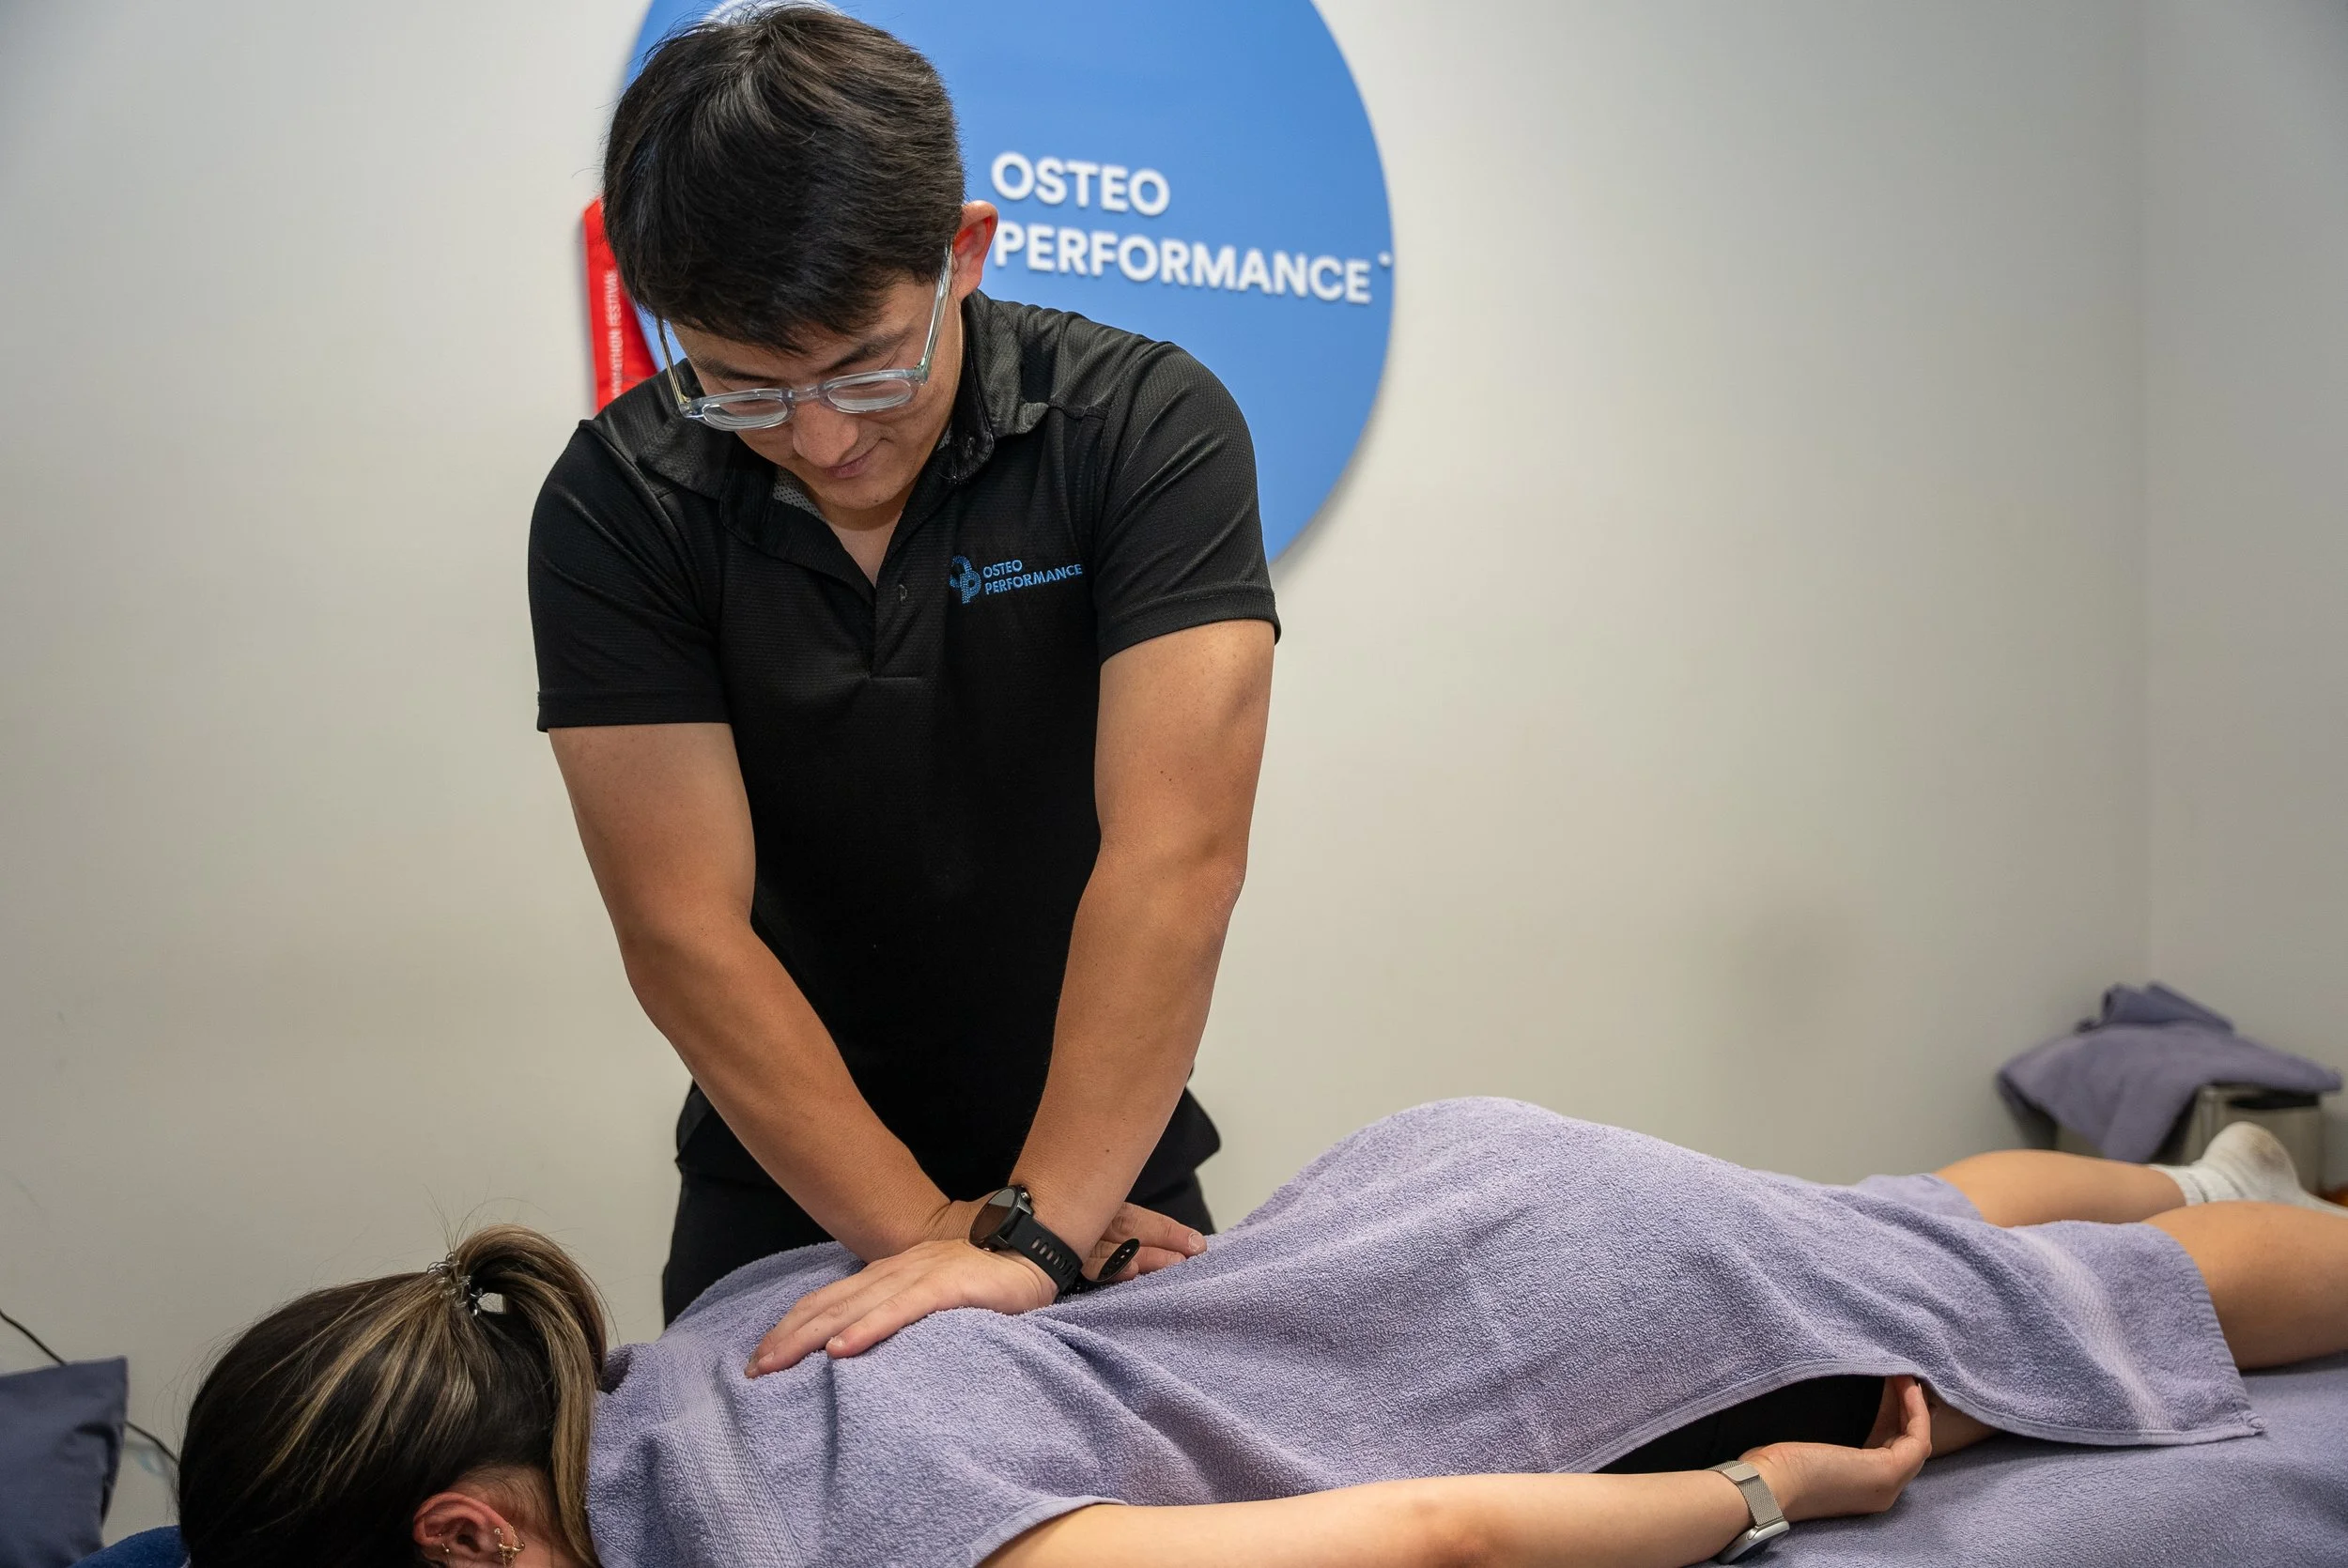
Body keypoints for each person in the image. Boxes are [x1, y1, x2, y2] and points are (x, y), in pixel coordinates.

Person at [176, 1106, 2348, 1568]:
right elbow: (1010, 1273)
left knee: (2059, 1320)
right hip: (1431, 1205)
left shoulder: (825, 1541)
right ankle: (2203, 1162)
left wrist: (1784, 1485)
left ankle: (2237, 1222)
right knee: (1867, 1224)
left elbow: (1420, 1548)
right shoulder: (705, 1345)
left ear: (465, 1538)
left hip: (1584, 1325)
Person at [529, 8, 1277, 1329]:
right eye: (742, 387)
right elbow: (682, 929)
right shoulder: (619, 503)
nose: (817, 438)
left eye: (867, 366)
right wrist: (931, 1233)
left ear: (964, 255)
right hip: (790, 1176)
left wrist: (1042, 1224)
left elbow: (1176, 856)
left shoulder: (1142, 430)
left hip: (1105, 1158)